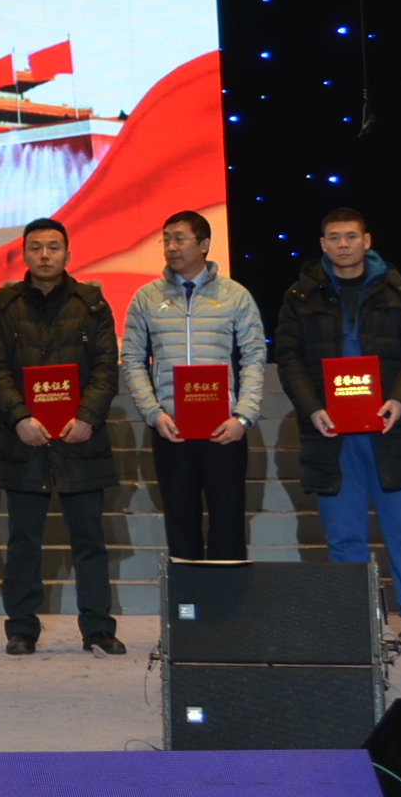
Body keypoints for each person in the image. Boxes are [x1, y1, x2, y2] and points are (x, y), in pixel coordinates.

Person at [271, 206, 401, 652]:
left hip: (388, 431)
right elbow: (288, 358)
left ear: (367, 241)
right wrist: (311, 408)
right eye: (334, 237)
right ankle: (357, 627)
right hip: (331, 435)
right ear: (322, 244)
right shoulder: (299, 295)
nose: (342, 244)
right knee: (344, 538)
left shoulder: (398, 290)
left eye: (350, 236)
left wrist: (399, 400)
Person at [0, 216, 124, 656]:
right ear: (24, 254)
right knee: (24, 541)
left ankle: (98, 628)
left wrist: (87, 418)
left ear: (67, 253)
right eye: (36, 247)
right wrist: (20, 418)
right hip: (24, 440)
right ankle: (21, 628)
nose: (45, 255)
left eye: (53, 247)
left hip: (81, 438)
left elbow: (106, 367)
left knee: (90, 540)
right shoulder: (4, 305)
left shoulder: (91, 303)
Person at [121, 210, 267, 562]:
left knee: (228, 523)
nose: (171, 247)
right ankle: (185, 597)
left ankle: (226, 597)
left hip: (224, 428)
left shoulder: (234, 295)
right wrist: (154, 414)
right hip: (171, 428)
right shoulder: (146, 297)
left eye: (179, 239)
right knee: (180, 524)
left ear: (204, 245)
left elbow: (253, 356)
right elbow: (133, 359)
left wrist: (243, 416)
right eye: (166, 239)